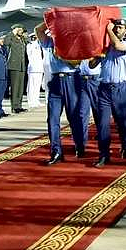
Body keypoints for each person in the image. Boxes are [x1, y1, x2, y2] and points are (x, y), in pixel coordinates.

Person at [34, 22, 84, 165]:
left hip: (71, 79)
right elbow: (38, 30)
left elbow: (77, 62)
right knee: (52, 119)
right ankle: (56, 151)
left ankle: (79, 145)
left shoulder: (73, 42)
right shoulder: (49, 42)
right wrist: (52, 19)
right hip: (55, 80)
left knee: (73, 116)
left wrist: (62, 56)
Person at [92, 19, 126, 167]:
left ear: (125, 30)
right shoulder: (106, 45)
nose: (117, 30)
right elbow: (91, 65)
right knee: (102, 123)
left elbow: (117, 45)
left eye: (120, 27)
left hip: (121, 88)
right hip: (104, 88)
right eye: (115, 27)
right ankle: (104, 154)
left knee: (124, 122)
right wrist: (99, 55)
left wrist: (109, 30)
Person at [3, 23, 28, 113]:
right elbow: (5, 43)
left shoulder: (21, 39)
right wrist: (12, 33)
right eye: (20, 30)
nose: (21, 31)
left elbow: (27, 42)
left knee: (20, 87)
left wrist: (23, 36)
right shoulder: (10, 38)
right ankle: (14, 106)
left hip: (21, 65)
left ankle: (19, 105)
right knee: (15, 86)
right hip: (14, 65)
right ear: (16, 29)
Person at [26, 33, 45, 109]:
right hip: (33, 68)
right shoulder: (30, 45)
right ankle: (31, 101)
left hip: (39, 68)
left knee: (37, 86)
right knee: (32, 86)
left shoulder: (39, 45)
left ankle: (36, 100)